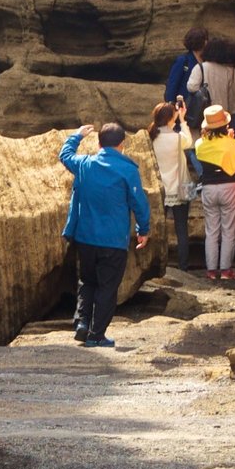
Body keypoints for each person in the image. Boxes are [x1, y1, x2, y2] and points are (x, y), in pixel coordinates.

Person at [60, 121, 153, 348]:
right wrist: (143, 230)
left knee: (87, 281)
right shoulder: (128, 170)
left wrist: (77, 135)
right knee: (107, 287)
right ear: (122, 144)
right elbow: (139, 203)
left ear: (99, 143)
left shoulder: (85, 164)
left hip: (85, 237)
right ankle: (96, 335)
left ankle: (82, 323)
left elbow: (65, 155)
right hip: (113, 241)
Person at [190, 104, 235, 281]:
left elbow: (203, 150)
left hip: (208, 187)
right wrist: (229, 139)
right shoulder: (231, 143)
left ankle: (212, 270)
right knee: (228, 229)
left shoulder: (200, 144)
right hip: (229, 186)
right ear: (225, 125)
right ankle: (226, 270)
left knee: (211, 230)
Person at [150, 102, 195, 267]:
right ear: (170, 118)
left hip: (159, 189)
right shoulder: (177, 138)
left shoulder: (151, 137)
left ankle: (158, 263)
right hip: (179, 189)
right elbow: (189, 141)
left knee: (158, 229)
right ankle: (183, 265)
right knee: (181, 229)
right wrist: (182, 119)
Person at [187, 37, 235, 137]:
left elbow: (191, 87)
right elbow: (234, 98)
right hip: (223, 117)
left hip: (203, 116)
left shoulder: (201, 67)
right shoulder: (233, 72)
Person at [164, 27, 209, 111]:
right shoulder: (183, 60)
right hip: (183, 106)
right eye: (205, 39)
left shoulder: (207, 61)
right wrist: (170, 105)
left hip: (201, 106)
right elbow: (173, 84)